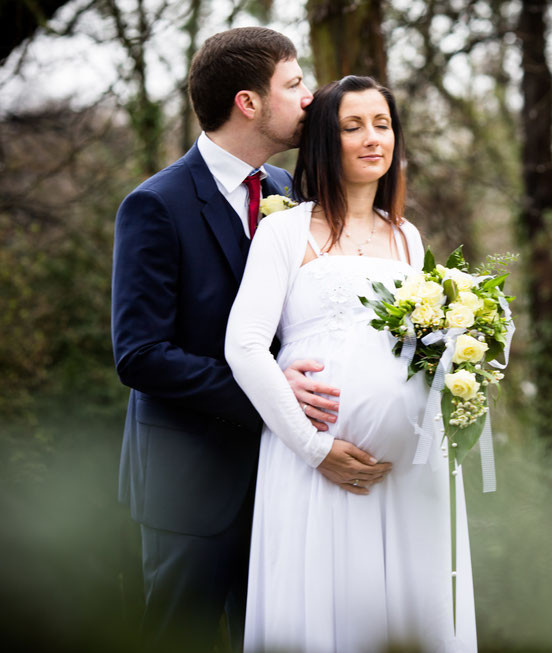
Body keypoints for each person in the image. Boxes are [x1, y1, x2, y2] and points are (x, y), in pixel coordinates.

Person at [111, 28, 392, 651]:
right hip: (191, 485)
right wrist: (271, 393)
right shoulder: (155, 205)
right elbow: (140, 354)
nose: (310, 97)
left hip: (283, 478)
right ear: (248, 103)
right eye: (293, 85)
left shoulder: (291, 195)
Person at [225, 75, 478, 652]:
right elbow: (243, 346)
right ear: (324, 141)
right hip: (316, 468)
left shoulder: (408, 237)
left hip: (411, 473)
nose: (372, 139)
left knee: (413, 615)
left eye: (382, 124)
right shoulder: (285, 231)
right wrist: (315, 450)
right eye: (352, 125)